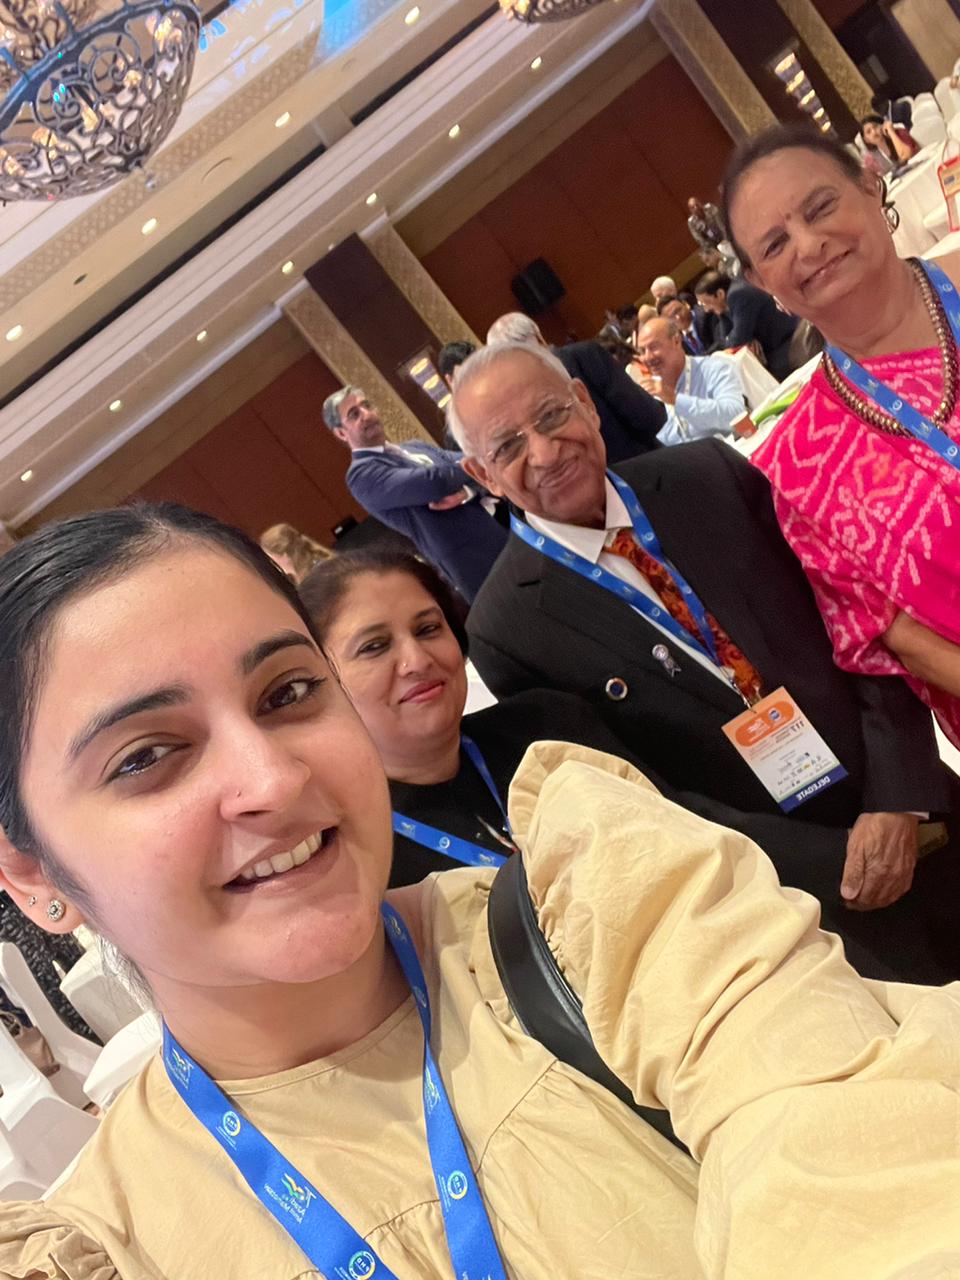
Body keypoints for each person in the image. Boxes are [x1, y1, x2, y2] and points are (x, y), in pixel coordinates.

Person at [3, 503, 960, 1279]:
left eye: (288, 693)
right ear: (31, 874)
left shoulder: (601, 911)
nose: (274, 780)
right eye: (147, 756)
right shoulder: (111, 1247)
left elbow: (842, 1152)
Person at [448, 340, 960, 981]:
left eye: (552, 416)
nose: (546, 452)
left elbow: (854, 621)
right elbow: (638, 800)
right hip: (794, 911)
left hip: (921, 807)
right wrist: (830, 865)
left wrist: (899, 796)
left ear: (585, 403)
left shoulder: (709, 475)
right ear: (482, 474)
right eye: (508, 447)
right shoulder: (506, 630)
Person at [723, 122, 960, 751]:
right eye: (776, 243)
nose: (809, 245)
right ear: (762, 282)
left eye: (820, 207)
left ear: (870, 185)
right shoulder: (797, 468)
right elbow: (902, 634)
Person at [323, 386, 506, 603]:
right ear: (341, 433)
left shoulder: (415, 447)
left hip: (502, 531)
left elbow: (470, 466)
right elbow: (435, 483)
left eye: (367, 405)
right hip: (474, 561)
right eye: (354, 414)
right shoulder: (362, 475)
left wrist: (467, 490)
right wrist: (477, 461)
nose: (367, 414)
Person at [485, 312, 665, 464]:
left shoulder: (517, 409)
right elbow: (648, 416)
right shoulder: (585, 356)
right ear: (539, 337)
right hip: (645, 468)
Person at [633, 316, 746, 444]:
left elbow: (736, 414)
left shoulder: (713, 368)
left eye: (653, 347)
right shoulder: (650, 396)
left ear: (676, 341)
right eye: (642, 351)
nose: (647, 357)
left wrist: (675, 399)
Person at [695, 269, 803, 380]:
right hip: (774, 349)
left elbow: (737, 340)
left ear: (719, 294)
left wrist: (743, 338)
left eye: (705, 303)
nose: (706, 310)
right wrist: (721, 314)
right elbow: (725, 341)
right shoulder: (725, 305)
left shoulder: (738, 294)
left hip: (789, 341)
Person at [259, 523, 333, 584]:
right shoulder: (305, 578)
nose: (272, 564)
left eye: (271, 558)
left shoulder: (321, 574)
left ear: (285, 555)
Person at [859, 112, 919, 176]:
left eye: (875, 126)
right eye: (868, 132)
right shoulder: (871, 157)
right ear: (866, 140)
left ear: (883, 125)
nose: (874, 132)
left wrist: (891, 131)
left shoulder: (899, 133)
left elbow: (907, 155)